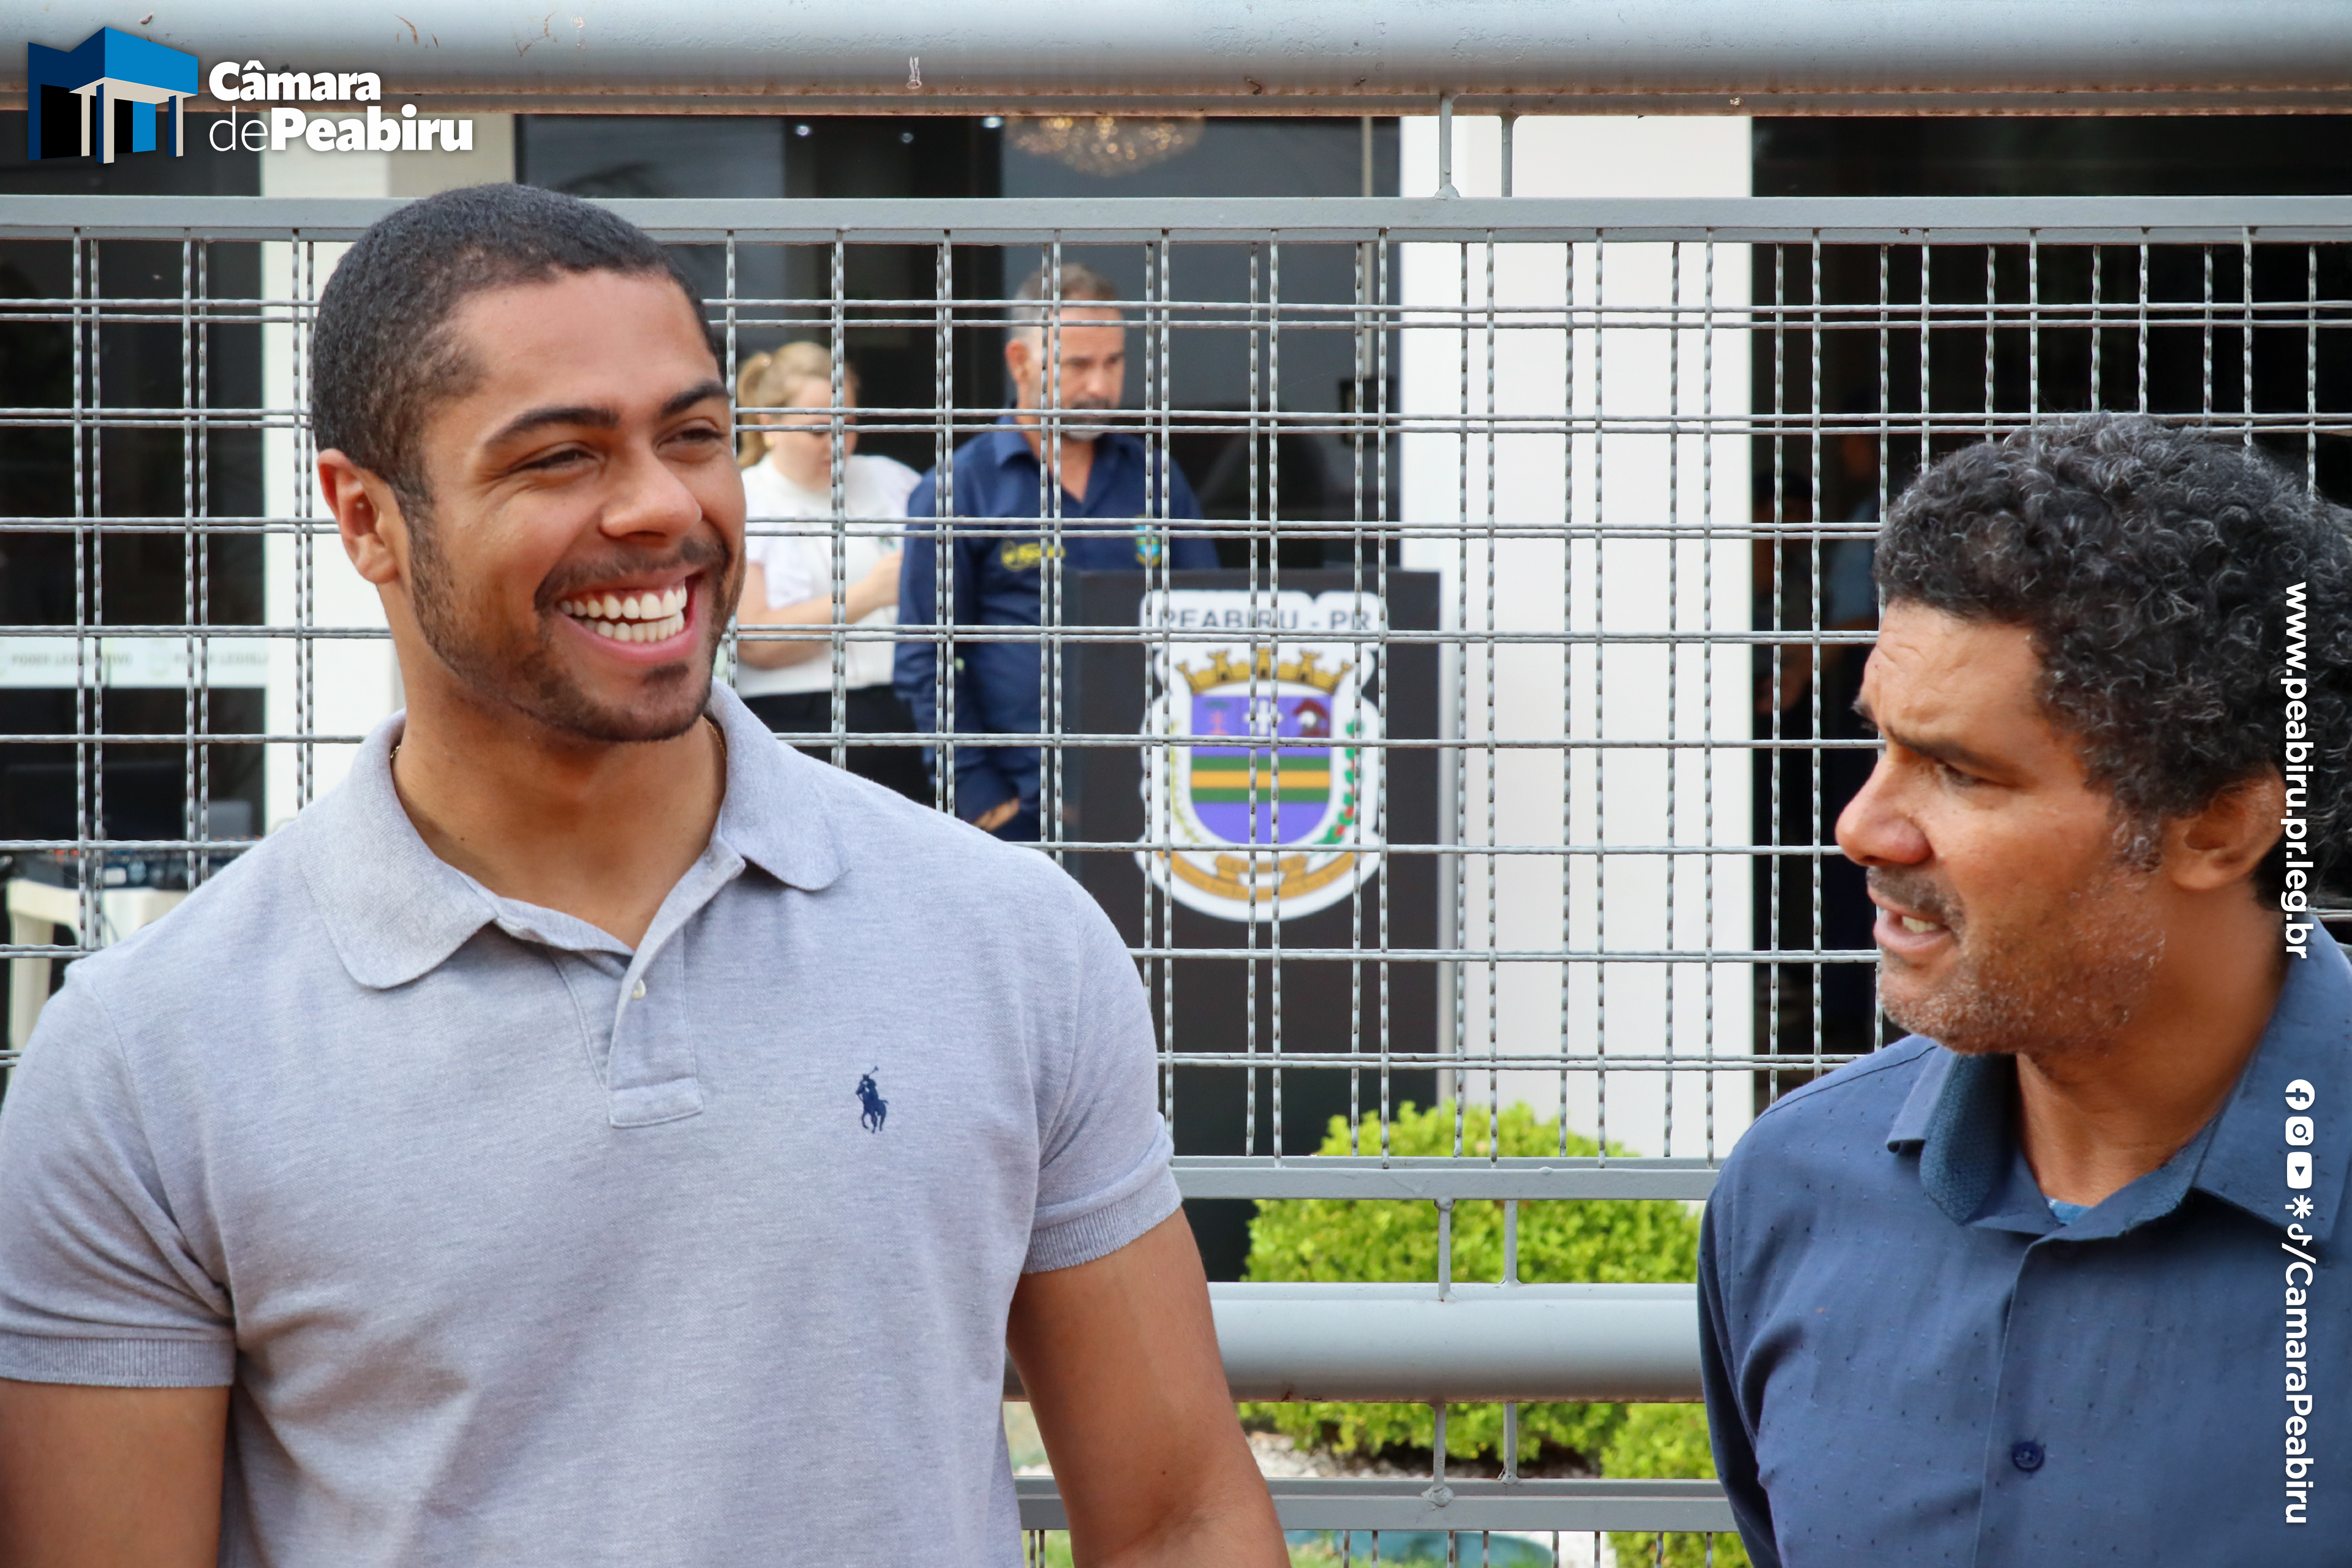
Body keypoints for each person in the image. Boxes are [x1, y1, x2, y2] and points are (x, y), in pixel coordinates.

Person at [0, 184, 1286, 1568]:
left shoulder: (1012, 943)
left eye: (693, 436)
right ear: (366, 518)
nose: (664, 505)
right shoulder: (146, 1062)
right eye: (562, 456)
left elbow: (1179, 1518)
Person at [1699, 413, 2352, 1564]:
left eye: (1961, 772)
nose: (1862, 827)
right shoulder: (1794, 1188)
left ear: (2221, 825)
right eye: (1882, 744)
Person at [895, 262, 1217, 842]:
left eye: (1114, 362)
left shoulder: (1156, 479)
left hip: (1161, 798)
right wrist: (982, 799)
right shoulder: (960, 488)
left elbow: (1211, 621)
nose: (1100, 386)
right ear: (1021, 361)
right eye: (1078, 365)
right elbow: (925, 659)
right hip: (1019, 810)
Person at [732, 341, 928, 801]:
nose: (837, 444)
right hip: (798, 718)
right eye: (819, 430)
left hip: (904, 709)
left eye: (848, 426)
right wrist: (869, 595)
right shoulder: (746, 497)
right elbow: (755, 640)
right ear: (769, 424)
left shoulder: (890, 478)